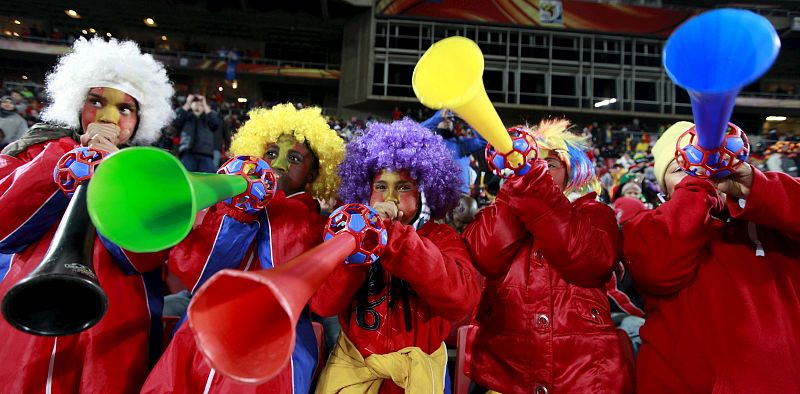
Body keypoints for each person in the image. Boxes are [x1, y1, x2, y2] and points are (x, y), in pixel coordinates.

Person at [0, 37, 174, 393]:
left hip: (115, 321)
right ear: (78, 105)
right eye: (97, 102)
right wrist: (65, 159)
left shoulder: (151, 174)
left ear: (140, 121)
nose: (109, 117)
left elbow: (145, 256)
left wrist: (114, 172)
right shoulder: (35, 149)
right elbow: (4, 224)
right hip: (33, 303)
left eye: (125, 109)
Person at [142, 103, 345, 394]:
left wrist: (270, 205)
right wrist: (237, 212)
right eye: (271, 154)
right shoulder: (230, 203)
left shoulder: (317, 225)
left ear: (313, 177)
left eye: (295, 158)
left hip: (277, 345)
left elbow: (289, 272)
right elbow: (197, 274)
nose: (279, 165)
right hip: (202, 329)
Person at [623, 121, 800, 392]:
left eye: (712, 161)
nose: (700, 169)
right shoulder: (645, 226)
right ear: (663, 190)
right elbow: (656, 271)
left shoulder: (774, 220)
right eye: (682, 168)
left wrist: (757, 186)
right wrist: (699, 189)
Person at [463, 119, 633, 394]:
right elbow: (484, 256)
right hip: (504, 376)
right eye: (530, 163)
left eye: (550, 165)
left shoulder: (595, 214)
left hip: (584, 379)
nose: (537, 170)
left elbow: (589, 262)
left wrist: (535, 190)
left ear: (571, 171)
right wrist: (516, 190)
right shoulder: (498, 208)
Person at [311, 118, 481, 393]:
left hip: (417, 375)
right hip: (353, 369)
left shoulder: (441, 237)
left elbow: (462, 301)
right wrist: (356, 251)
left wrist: (395, 237)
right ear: (365, 191)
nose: (389, 195)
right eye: (380, 186)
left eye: (403, 187)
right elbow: (323, 304)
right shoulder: (346, 237)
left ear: (424, 193)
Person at [173, 94, 221, 173]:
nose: (198, 105)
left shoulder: (209, 116)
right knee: (187, 178)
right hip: (187, 153)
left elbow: (215, 123)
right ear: (191, 105)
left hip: (206, 154)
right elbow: (176, 121)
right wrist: (188, 103)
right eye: (195, 102)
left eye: (200, 104)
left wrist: (205, 103)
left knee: (208, 180)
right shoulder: (186, 115)